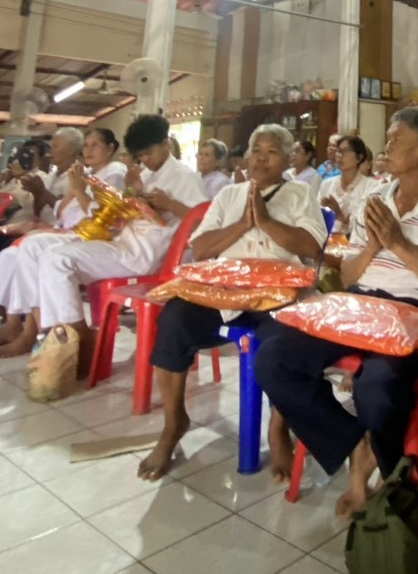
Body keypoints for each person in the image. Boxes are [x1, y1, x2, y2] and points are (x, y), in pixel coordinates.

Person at [255, 108, 418, 515]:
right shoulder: (376, 198)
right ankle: (355, 445)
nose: (386, 148)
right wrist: (373, 243)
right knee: (273, 358)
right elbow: (349, 277)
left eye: (395, 140)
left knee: (378, 389)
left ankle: (391, 478)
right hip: (362, 303)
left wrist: (399, 243)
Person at [138, 124, 326, 481]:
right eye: (256, 149)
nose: (261, 157)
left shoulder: (301, 193)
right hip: (225, 294)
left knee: (281, 343)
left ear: (287, 159)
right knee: (175, 319)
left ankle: (277, 428)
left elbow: (310, 248)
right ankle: (174, 423)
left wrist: (266, 221)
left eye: (272, 151)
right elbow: (204, 248)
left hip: (279, 297)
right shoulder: (229, 195)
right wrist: (243, 223)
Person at [0, 116, 205, 365]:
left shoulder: (185, 176)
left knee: (57, 260)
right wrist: (133, 194)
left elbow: (203, 222)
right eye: (140, 155)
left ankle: (79, 338)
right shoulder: (147, 173)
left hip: (145, 254)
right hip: (124, 242)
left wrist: (170, 204)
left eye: (149, 153)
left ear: (166, 143)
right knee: (37, 249)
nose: (145, 159)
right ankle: (50, 333)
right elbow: (130, 212)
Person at [0, 127, 129, 354]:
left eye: (94, 145)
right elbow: (61, 209)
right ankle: (14, 324)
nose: (88, 150)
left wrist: (77, 191)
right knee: (12, 254)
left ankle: (36, 332)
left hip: (89, 236)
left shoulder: (115, 172)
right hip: (66, 229)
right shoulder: (86, 173)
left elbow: (103, 217)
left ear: (110, 149)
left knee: (31, 251)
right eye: (86, 145)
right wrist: (73, 192)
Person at [318, 135, 376, 229]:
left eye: (345, 151)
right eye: (338, 151)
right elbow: (317, 217)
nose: (339, 156)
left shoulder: (371, 186)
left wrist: (339, 214)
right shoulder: (327, 184)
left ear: (359, 158)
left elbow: (365, 225)